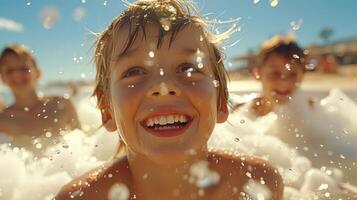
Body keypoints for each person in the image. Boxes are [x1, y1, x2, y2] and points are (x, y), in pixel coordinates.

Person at [55, 1, 283, 199]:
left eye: (188, 68)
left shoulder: (256, 184)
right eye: (134, 72)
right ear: (107, 110)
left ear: (221, 102)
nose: (164, 88)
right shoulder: (83, 197)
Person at [0, 44, 81, 153]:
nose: (17, 74)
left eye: (23, 68)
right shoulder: (3, 120)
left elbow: (84, 145)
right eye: (9, 70)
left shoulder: (62, 105)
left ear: (38, 73)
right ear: (2, 78)